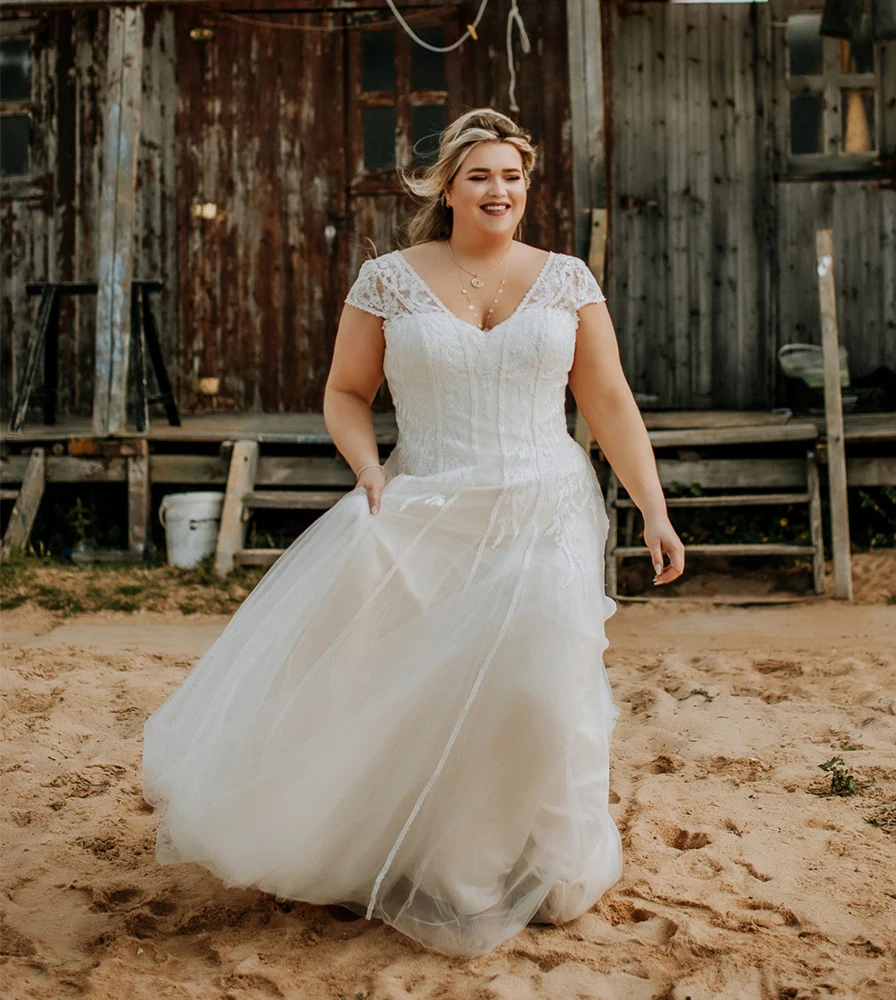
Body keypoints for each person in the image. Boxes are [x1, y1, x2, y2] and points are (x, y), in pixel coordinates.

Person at [141, 108, 684, 958]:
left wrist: (652, 506)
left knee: (540, 690)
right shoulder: (388, 278)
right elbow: (345, 392)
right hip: (424, 509)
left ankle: (544, 859)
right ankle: (458, 874)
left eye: (511, 176)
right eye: (481, 176)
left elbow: (607, 399)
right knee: (438, 697)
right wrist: (366, 470)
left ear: (527, 185)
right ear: (448, 188)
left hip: (544, 511)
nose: (498, 189)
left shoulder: (568, 278)